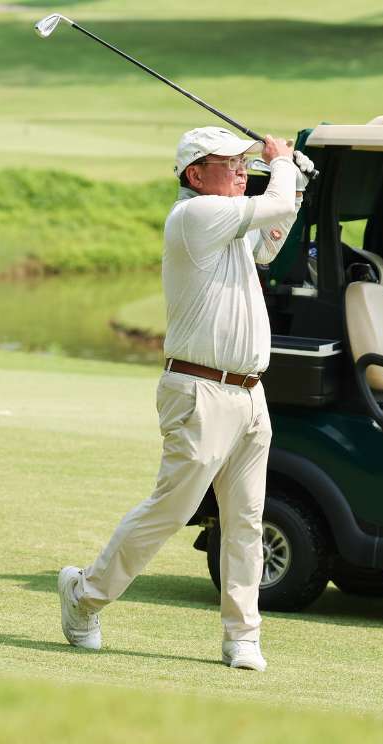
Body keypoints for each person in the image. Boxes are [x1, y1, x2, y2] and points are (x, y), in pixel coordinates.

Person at [57, 126, 314, 672]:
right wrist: (282, 164)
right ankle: (84, 595)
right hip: (199, 390)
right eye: (230, 163)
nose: (242, 169)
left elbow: (270, 241)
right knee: (171, 509)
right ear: (196, 174)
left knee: (246, 520)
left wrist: (295, 187)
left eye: (245, 161)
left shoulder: (227, 223)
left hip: (250, 394)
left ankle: (242, 636)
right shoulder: (194, 216)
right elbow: (270, 205)